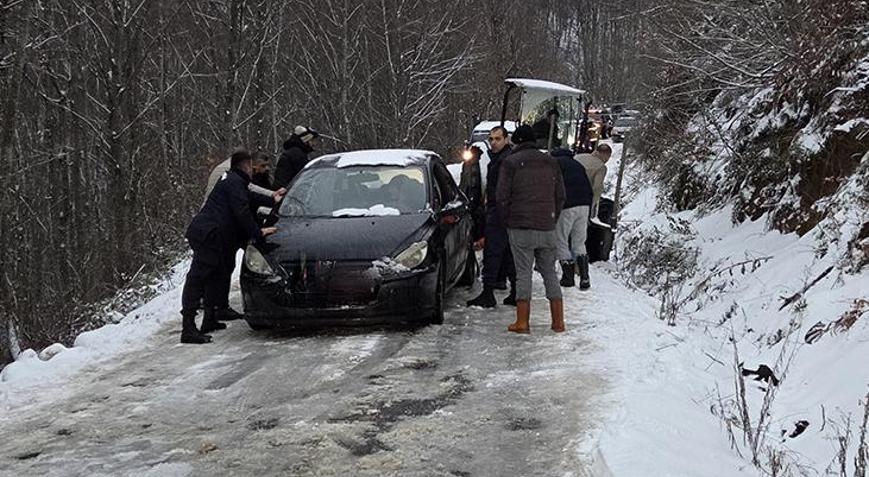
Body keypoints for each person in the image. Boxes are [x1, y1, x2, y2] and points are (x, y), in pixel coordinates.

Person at [180, 149, 280, 344]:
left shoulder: (233, 181)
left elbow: (249, 198)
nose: (253, 171)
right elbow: (242, 211)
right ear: (246, 166)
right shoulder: (234, 183)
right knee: (198, 278)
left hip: (213, 233)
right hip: (208, 234)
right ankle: (188, 327)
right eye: (251, 167)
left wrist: (273, 198)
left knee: (215, 276)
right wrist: (258, 232)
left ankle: (210, 318)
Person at [496, 124, 566, 334]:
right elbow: (561, 195)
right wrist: (551, 218)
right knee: (550, 273)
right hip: (547, 226)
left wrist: (506, 219)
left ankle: (522, 322)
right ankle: (558, 322)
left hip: (520, 226)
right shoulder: (551, 161)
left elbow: (501, 197)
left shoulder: (511, 163)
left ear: (515, 142)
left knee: (523, 274)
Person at [466, 126, 516, 308]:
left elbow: (502, 189)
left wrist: (496, 210)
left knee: (494, 253)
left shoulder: (505, 160)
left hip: (500, 212)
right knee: (507, 253)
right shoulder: (499, 159)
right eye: (491, 139)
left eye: (497, 139)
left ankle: (489, 293)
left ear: (506, 139)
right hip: (501, 211)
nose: (494, 142)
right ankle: (513, 292)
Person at [551, 148, 593, 289]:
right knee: (579, 241)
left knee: (561, 239)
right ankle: (584, 277)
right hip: (585, 205)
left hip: (567, 206)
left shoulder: (555, 164)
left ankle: (568, 277)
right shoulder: (578, 165)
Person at [576, 143, 612, 289]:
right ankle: (578, 270)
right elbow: (596, 188)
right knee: (579, 237)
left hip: (565, 200)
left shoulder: (578, 157)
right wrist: (593, 209)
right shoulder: (601, 167)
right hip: (582, 203)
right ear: (606, 155)